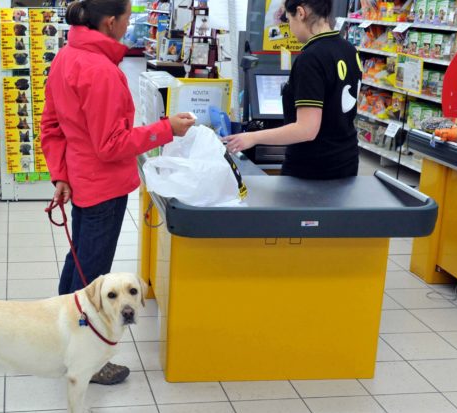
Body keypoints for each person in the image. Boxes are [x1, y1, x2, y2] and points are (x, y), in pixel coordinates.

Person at [40, 0, 195, 385]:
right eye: (127, 17)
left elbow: (52, 125)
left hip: (81, 180)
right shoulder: (101, 71)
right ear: (111, 22)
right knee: (91, 278)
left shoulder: (66, 57)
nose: (130, 24)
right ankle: (85, 359)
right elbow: (111, 145)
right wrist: (165, 128)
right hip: (103, 188)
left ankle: (59, 342)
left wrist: (61, 174)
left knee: (79, 264)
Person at [225, 0, 363, 180]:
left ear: (300, 13)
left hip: (313, 170)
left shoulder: (311, 58)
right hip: (346, 162)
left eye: (289, 20)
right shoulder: (348, 49)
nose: (289, 27)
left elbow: (306, 129)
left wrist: (252, 137)